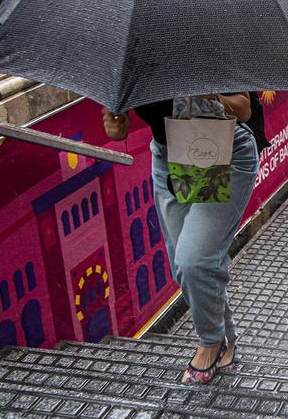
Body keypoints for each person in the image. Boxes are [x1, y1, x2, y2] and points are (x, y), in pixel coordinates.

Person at [102, 92, 269, 384]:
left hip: (219, 148)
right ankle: (228, 339)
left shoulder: (200, 47)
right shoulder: (132, 59)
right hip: (168, 158)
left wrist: (213, 96)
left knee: (194, 261)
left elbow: (243, 109)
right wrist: (115, 121)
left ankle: (210, 343)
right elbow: (117, 124)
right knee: (187, 267)